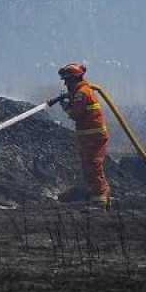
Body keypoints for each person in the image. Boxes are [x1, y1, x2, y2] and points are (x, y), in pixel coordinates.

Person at [50, 63, 110, 208]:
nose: (65, 83)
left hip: (93, 137)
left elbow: (76, 114)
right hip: (88, 137)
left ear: (73, 79)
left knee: (93, 167)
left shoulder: (82, 93)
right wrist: (69, 98)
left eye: (67, 80)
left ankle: (100, 202)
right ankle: (101, 198)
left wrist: (65, 105)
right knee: (90, 167)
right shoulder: (80, 92)